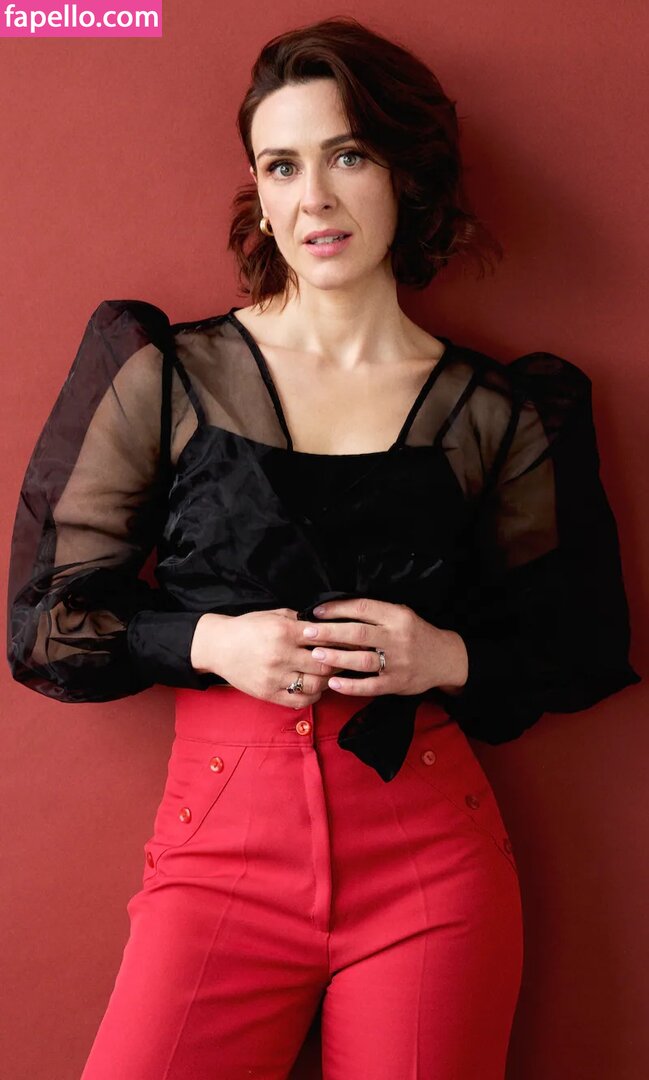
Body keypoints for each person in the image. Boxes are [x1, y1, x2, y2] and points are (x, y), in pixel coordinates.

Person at [6, 15, 640, 1080]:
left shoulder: (500, 411)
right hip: (219, 852)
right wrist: (212, 643)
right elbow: (47, 620)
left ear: (404, 172)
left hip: (429, 866)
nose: (314, 198)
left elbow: (579, 640)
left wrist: (444, 657)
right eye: (282, 165)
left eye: (347, 155)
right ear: (258, 194)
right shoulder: (167, 373)